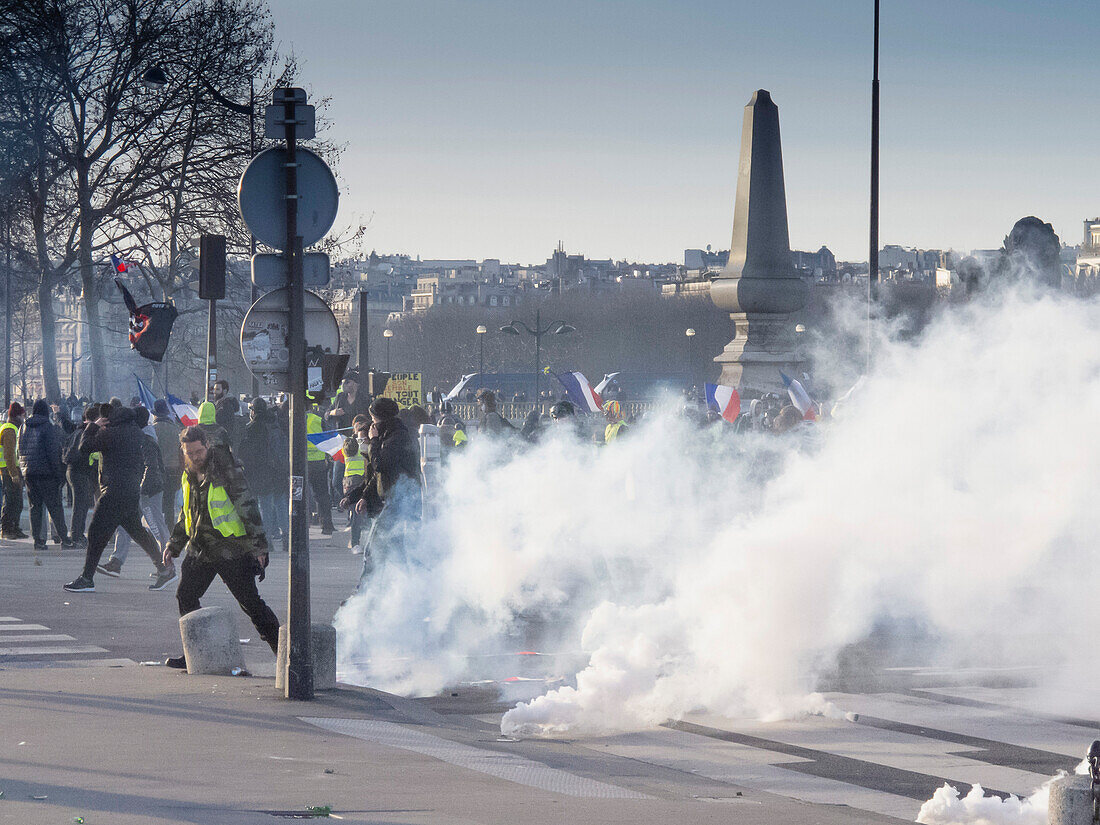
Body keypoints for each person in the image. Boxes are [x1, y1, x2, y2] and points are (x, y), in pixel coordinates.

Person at [163, 426, 280, 668]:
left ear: (207, 445)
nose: (195, 457)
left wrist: (259, 547)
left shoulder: (226, 468)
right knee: (185, 596)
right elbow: (187, 512)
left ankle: (287, 656)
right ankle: (195, 654)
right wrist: (174, 544)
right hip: (201, 549)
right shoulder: (188, 472)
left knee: (252, 605)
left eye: (198, 451)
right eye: (189, 452)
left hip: (231, 551)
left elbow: (247, 506)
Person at [63, 404, 170, 593]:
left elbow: (84, 447)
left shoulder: (110, 433)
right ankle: (164, 569)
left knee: (96, 533)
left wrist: (93, 426)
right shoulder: (136, 432)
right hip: (129, 491)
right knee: (138, 533)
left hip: (113, 491)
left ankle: (87, 578)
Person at [342, 397, 421, 584]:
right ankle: (417, 587)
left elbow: (380, 466)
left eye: (374, 419)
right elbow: (375, 478)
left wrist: (374, 441)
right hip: (392, 502)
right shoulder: (388, 436)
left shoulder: (397, 437)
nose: (372, 425)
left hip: (399, 503)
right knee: (398, 555)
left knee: (373, 551)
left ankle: (364, 595)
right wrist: (357, 496)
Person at [96, 406, 176, 590]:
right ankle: (116, 562)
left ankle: (168, 565)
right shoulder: (142, 436)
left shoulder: (145, 439)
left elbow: (151, 466)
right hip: (140, 489)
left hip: (149, 490)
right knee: (125, 524)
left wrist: (140, 488)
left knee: (156, 527)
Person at [19, 399, 73, 551]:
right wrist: (58, 474)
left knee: (34, 508)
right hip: (46, 473)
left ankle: (38, 540)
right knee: (55, 507)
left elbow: (20, 450)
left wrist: (24, 470)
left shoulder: (24, 427)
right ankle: (64, 538)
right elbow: (53, 452)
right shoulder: (48, 427)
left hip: (29, 473)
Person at [238, 397, 283, 551]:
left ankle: (258, 539)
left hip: (254, 472)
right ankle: (269, 538)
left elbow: (245, 452)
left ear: (253, 411)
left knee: (254, 507)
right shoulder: (274, 425)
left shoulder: (251, 428)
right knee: (269, 507)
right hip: (273, 471)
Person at [64, 405, 98, 548]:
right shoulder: (87, 432)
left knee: (81, 505)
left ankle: (77, 534)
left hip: (73, 471)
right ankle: (76, 535)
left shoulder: (78, 430)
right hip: (80, 471)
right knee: (80, 506)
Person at [306, 393, 334, 534]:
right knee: (322, 495)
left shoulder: (292, 419)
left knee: (301, 496)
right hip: (318, 463)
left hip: (300, 464)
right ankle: (327, 524)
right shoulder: (317, 419)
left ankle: (303, 525)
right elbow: (328, 439)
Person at [152, 399, 182, 530]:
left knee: (155, 504)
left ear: (155, 415)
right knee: (169, 503)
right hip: (174, 470)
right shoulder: (176, 429)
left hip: (158, 471)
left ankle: (158, 529)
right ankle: (170, 528)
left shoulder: (152, 430)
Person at [0, 402, 26, 539]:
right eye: (22, 415)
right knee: (11, 501)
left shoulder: (11, 428)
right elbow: (9, 454)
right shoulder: (10, 430)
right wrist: (14, 473)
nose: (24, 418)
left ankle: (14, 527)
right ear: (17, 416)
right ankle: (7, 529)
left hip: (11, 469)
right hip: (9, 470)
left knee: (17, 501)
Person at [341, 434, 367, 553]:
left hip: (349, 485)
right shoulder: (362, 451)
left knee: (355, 516)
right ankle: (357, 542)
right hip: (361, 482)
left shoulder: (344, 452)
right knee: (362, 515)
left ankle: (355, 543)